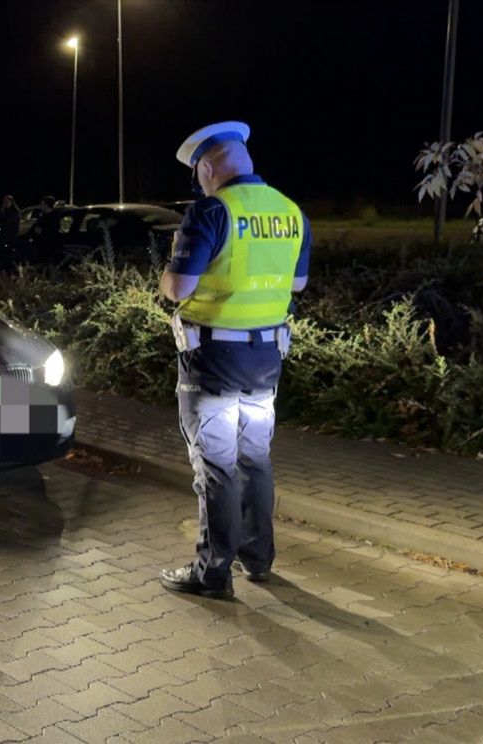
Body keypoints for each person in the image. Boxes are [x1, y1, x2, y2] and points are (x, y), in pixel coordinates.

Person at [158, 121, 311, 601]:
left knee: (217, 465)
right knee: (256, 459)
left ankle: (212, 571)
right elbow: (297, 284)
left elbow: (178, 288)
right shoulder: (290, 210)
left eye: (199, 174)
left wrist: (167, 277)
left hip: (213, 362)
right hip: (266, 359)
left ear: (207, 167)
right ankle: (259, 558)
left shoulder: (211, 210)